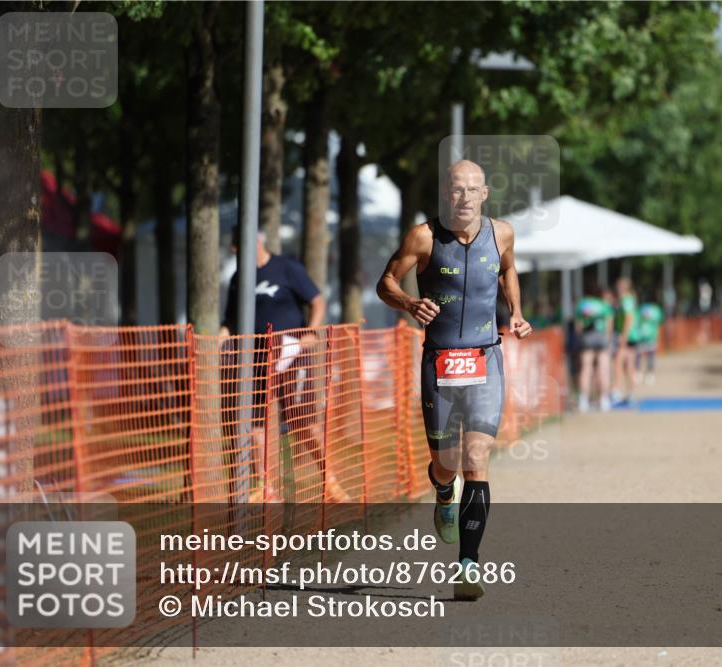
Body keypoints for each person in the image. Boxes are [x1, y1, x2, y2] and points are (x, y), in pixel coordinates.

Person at [375, 160, 531, 601]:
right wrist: (409, 303)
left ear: (484, 194)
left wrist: (516, 313)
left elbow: (507, 270)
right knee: (446, 462)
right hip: (440, 361)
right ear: (447, 194)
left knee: (476, 456)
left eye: (472, 189)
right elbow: (385, 282)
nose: (465, 197)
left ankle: (467, 565)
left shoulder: (502, 234)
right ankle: (443, 488)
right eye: (457, 189)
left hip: (485, 358)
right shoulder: (423, 237)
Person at [219, 227, 350, 504]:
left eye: (237, 244)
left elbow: (317, 301)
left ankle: (330, 481)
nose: (233, 250)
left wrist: (310, 332)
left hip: (291, 356)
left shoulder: (287, 268)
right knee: (254, 423)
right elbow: (230, 320)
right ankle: (265, 488)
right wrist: (218, 340)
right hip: (255, 359)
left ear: (255, 243)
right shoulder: (238, 279)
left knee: (303, 422)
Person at [574, 285, 614, 412]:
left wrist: (580, 339)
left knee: (586, 369)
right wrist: (608, 339)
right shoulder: (604, 305)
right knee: (603, 368)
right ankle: (604, 400)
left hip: (587, 337)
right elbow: (609, 324)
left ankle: (583, 400)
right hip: (601, 336)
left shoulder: (582, 304)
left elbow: (578, 326)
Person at [611, 278, 638, 406]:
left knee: (619, 363)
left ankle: (616, 392)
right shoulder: (628, 299)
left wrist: (624, 336)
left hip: (627, 336)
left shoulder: (626, 299)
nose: (617, 289)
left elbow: (629, 317)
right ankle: (630, 394)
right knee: (629, 365)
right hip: (630, 336)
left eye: (619, 287)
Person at [635, 297, 664, 386]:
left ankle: (645, 374)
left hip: (647, 337)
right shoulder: (655, 310)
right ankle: (643, 373)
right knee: (644, 356)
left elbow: (658, 324)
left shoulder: (643, 309)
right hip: (645, 337)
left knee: (647, 356)